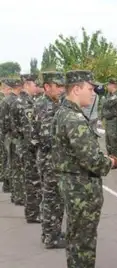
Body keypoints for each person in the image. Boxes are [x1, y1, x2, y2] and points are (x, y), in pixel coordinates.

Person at [51, 70, 117, 268]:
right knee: (84, 242)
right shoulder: (74, 118)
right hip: (82, 189)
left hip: (72, 186)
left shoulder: (62, 112)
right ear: (76, 89)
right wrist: (110, 161)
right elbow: (92, 160)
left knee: (75, 238)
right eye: (90, 89)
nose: (93, 93)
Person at [34, 71, 66, 248]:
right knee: (52, 199)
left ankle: (51, 232)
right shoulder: (45, 106)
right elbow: (46, 137)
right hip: (50, 159)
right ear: (47, 87)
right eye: (58, 86)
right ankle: (51, 237)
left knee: (53, 198)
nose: (61, 89)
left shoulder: (54, 103)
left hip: (50, 157)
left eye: (62, 86)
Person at [12, 74, 42, 223]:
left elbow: (14, 127)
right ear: (28, 85)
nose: (37, 87)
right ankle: (33, 213)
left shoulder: (25, 101)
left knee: (31, 180)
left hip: (23, 145)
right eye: (35, 85)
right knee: (32, 181)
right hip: (29, 147)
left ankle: (33, 212)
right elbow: (29, 129)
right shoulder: (24, 103)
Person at [101, 78, 117, 161]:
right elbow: (103, 105)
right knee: (108, 141)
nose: (107, 86)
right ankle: (110, 159)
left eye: (108, 85)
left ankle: (116, 160)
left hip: (114, 121)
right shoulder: (109, 95)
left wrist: (104, 100)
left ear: (113, 85)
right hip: (108, 120)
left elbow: (107, 103)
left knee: (114, 141)